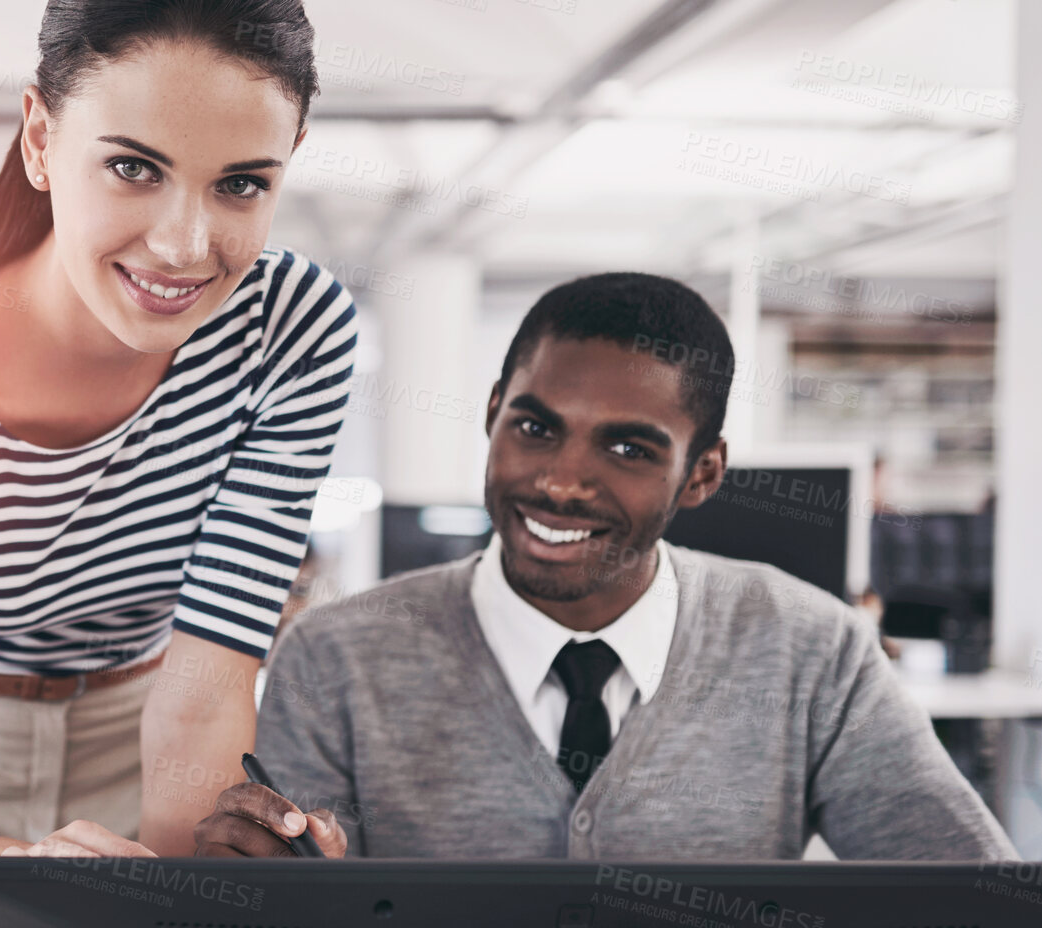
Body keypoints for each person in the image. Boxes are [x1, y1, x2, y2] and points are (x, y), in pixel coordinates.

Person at [0, 0, 358, 921]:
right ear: (41, 139)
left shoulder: (291, 332)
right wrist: (29, 870)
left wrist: (176, 895)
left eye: (241, 185)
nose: (183, 245)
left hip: (141, 726)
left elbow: (206, 686)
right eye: (133, 168)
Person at [193, 272, 1015, 860]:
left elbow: (966, 890)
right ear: (491, 415)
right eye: (535, 427)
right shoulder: (337, 657)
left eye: (627, 447)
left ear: (702, 473)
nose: (557, 480)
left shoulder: (811, 650)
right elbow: (300, 895)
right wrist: (280, 887)